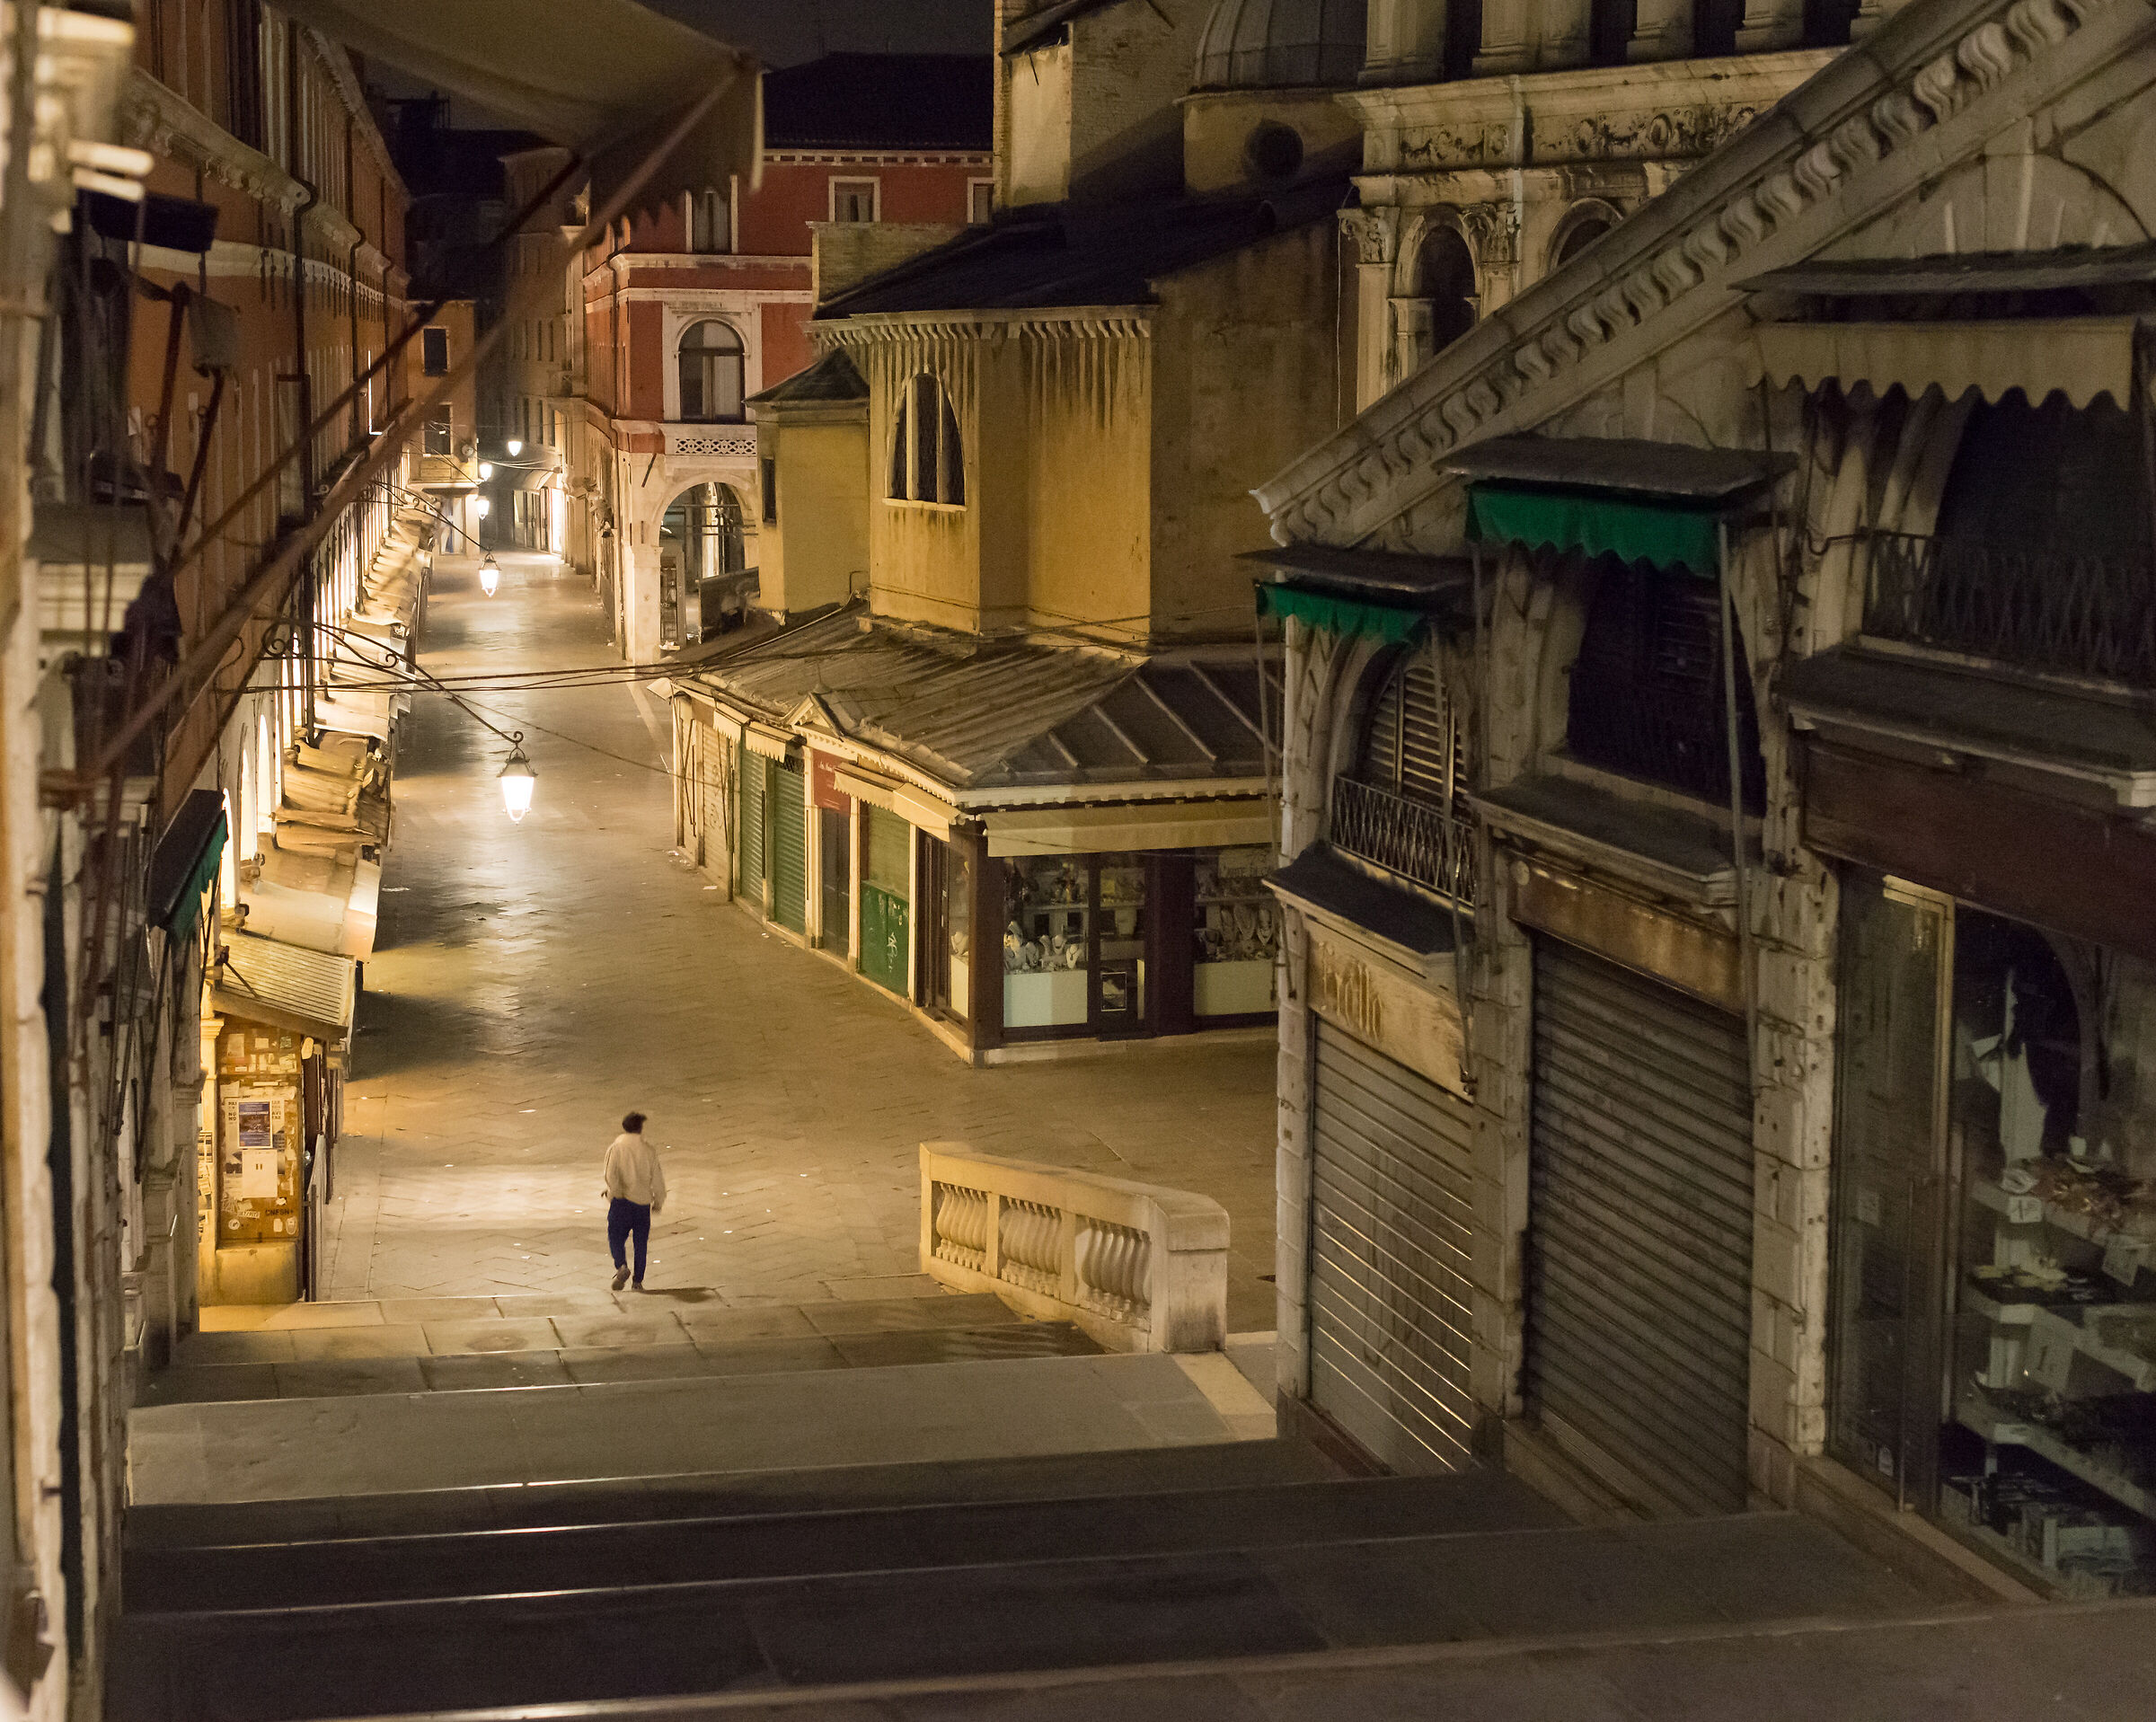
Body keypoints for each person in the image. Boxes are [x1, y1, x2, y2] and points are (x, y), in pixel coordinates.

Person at [601, 1110, 667, 1291]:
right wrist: (658, 1202)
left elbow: (610, 1175)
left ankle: (621, 1266)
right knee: (640, 1244)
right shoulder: (648, 1151)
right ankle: (638, 1282)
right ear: (640, 1128)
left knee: (615, 1237)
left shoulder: (615, 1148)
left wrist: (612, 1193)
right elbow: (658, 1180)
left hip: (621, 1202)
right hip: (642, 1205)